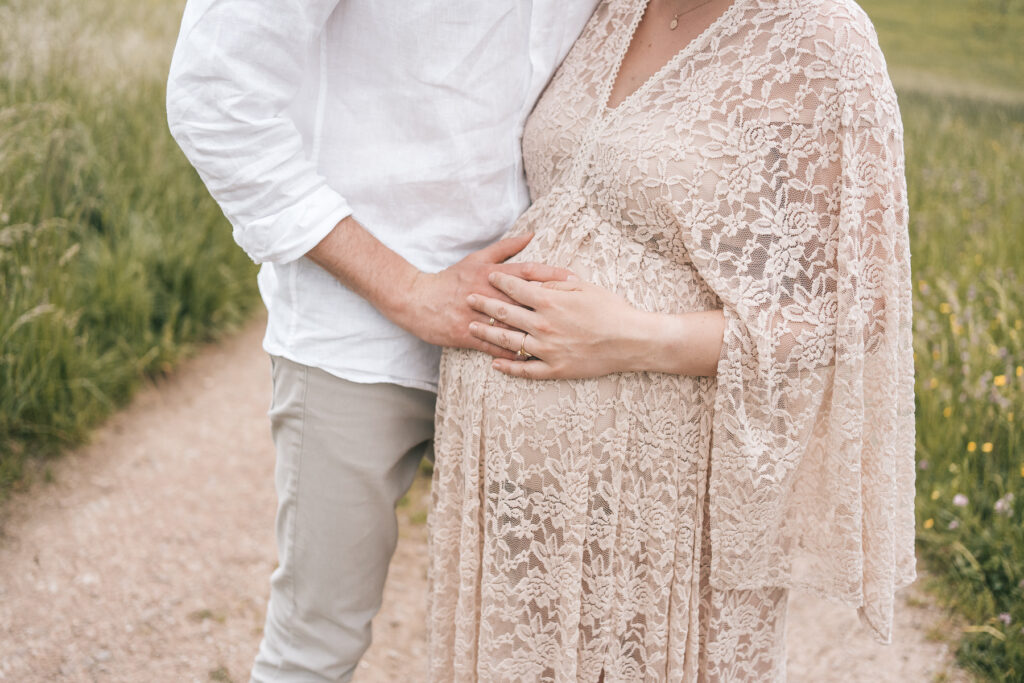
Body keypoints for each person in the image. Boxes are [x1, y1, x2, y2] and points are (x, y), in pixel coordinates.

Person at [427, 0, 917, 680]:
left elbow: (862, 304)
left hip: (671, 498)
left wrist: (637, 338)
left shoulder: (822, 37)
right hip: (520, 487)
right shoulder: (611, 9)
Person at [165, 1, 600, 680]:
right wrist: (409, 291)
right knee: (317, 643)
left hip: (538, 332)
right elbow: (213, 94)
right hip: (357, 332)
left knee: (550, 643)